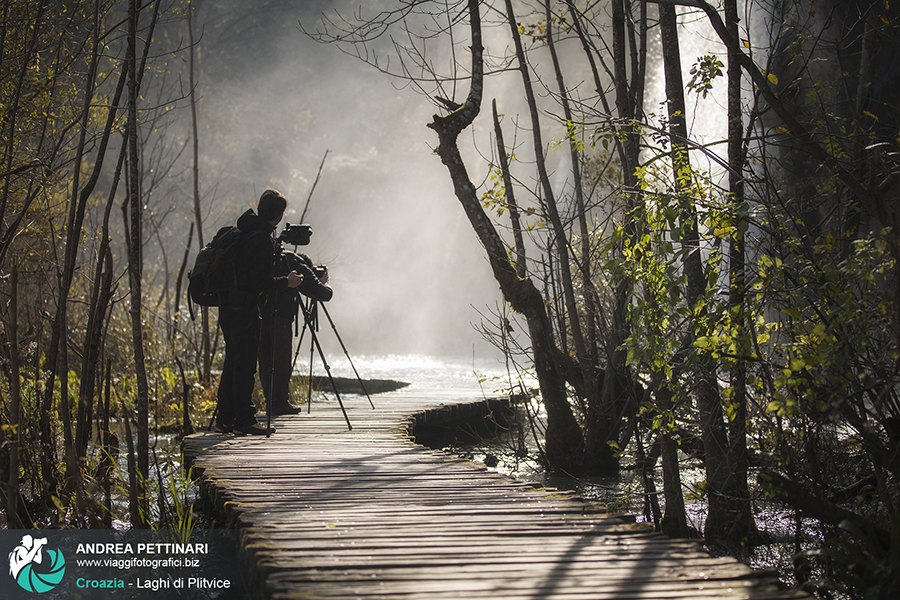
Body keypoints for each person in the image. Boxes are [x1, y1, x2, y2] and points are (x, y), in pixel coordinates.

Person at [215, 189, 302, 435]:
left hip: (227, 306)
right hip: (244, 309)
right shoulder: (260, 240)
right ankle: (244, 419)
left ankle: (225, 418)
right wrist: (287, 282)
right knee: (244, 365)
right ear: (278, 216)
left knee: (233, 361)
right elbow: (258, 281)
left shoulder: (244, 231)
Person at [259, 251, 333, 415]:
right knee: (281, 358)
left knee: (264, 360)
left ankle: (269, 401)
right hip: (280, 318)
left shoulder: (273, 259)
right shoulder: (294, 264)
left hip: (258, 315)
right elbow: (322, 293)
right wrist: (322, 283)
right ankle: (278, 403)